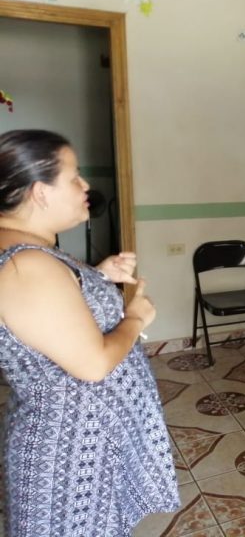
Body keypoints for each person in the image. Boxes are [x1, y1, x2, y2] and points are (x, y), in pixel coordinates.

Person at [0, 130, 179, 535]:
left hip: (84, 439)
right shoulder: (27, 264)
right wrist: (135, 319)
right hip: (69, 451)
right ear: (40, 192)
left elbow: (46, 314)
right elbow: (93, 365)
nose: (85, 186)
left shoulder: (27, 252)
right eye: (74, 176)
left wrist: (96, 276)